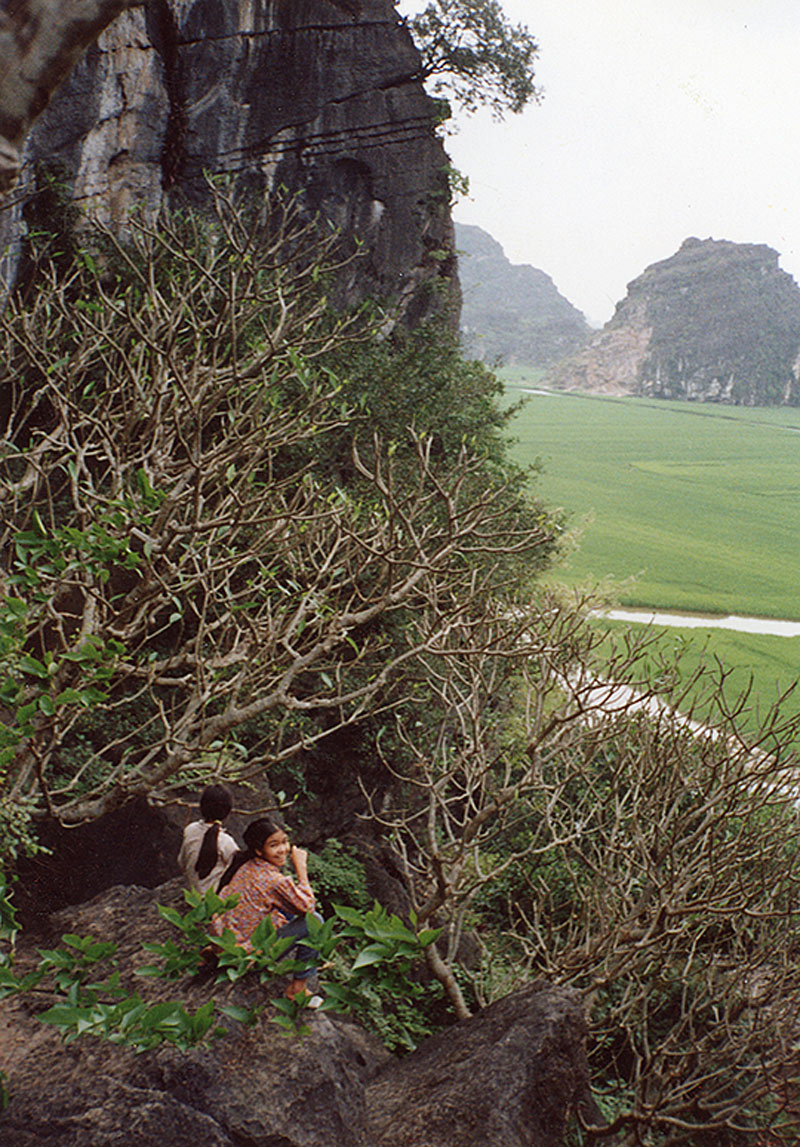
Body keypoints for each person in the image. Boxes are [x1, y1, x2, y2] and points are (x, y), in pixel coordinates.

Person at [212, 816, 323, 1005]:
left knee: (289, 909)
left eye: (285, 842)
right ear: (258, 850)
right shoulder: (274, 880)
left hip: (224, 946)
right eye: (274, 845)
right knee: (315, 922)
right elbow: (307, 906)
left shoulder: (246, 865)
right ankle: (297, 989)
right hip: (245, 958)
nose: (283, 850)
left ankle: (212, 950)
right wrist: (301, 869)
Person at [178, 784, 239, 895]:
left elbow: (182, 862)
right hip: (215, 901)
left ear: (202, 807)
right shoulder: (226, 842)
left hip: (193, 896)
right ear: (228, 811)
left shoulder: (190, 830)